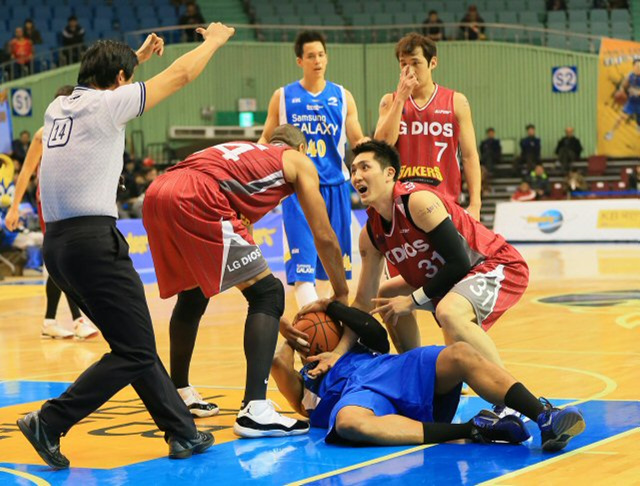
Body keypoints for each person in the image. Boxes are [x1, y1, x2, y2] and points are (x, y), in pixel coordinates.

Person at [16, 23, 236, 469]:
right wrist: (212, 41)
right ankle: (51, 421)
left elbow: (104, 86)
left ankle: (182, 432)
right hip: (93, 242)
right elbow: (179, 77)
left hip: (58, 247)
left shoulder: (58, 106)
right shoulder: (108, 105)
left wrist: (132, 59)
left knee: (131, 340)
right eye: (126, 77)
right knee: (134, 348)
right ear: (118, 81)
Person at [142, 124, 349, 436]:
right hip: (198, 194)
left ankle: (179, 392)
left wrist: (275, 317)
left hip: (158, 192)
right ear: (300, 149)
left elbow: (246, 254)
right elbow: (324, 236)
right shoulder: (298, 160)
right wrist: (341, 293)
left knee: (194, 294)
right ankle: (255, 409)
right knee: (269, 292)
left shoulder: (242, 153)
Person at [324, 140, 528, 376]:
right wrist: (338, 353)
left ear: (390, 173)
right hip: (453, 278)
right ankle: (416, 374)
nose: (356, 176)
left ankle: (509, 397)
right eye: (353, 170)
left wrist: (412, 300)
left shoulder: (418, 202)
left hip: (493, 264)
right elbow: (362, 302)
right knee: (386, 295)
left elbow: (459, 262)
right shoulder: (370, 234)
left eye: (365, 167)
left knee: (448, 311)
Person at [273, 301, 585, 451]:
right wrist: (291, 336)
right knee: (349, 423)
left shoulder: (357, 348)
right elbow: (275, 361)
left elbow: (371, 327)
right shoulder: (307, 384)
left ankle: (544, 417)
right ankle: (475, 429)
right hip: (362, 399)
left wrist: (329, 307)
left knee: (461, 353)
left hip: (394, 370)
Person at [258, 31, 366, 308]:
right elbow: (264, 140)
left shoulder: (343, 96)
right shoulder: (282, 97)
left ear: (326, 57)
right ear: (299, 61)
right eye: (310, 56)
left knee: (334, 271)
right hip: (297, 189)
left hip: (336, 187)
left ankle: (326, 330)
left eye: (321, 54)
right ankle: (311, 329)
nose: (317, 60)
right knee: (302, 271)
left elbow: (358, 141)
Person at [5, 86, 99, 340]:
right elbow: (24, 172)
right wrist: (14, 208)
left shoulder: (80, 131)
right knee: (63, 260)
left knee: (60, 264)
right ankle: (78, 319)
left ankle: (49, 321)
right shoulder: (44, 133)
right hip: (49, 201)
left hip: (72, 200)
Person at [375, 33, 482, 221]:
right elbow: (381, 148)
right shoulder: (390, 101)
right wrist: (401, 98)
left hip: (445, 204)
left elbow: (469, 156)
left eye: (416, 63)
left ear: (433, 63)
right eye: (403, 64)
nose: (410, 70)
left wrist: (475, 204)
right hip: (400, 205)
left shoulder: (456, 102)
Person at [604, 59, 640, 141]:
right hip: (631, 102)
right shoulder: (630, 75)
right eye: (637, 66)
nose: (638, 68)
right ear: (633, 66)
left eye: (639, 66)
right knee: (620, 118)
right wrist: (622, 91)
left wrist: (637, 92)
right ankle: (611, 133)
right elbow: (623, 86)